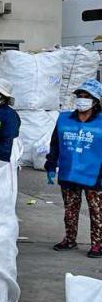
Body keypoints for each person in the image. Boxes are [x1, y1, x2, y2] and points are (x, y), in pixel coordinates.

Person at [46, 79, 102, 258]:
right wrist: (50, 164)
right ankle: (69, 239)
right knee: (70, 210)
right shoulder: (64, 119)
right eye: (80, 96)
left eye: (87, 97)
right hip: (69, 172)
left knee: (97, 212)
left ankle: (97, 244)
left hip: (94, 174)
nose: (82, 100)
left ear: (96, 101)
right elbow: (55, 144)